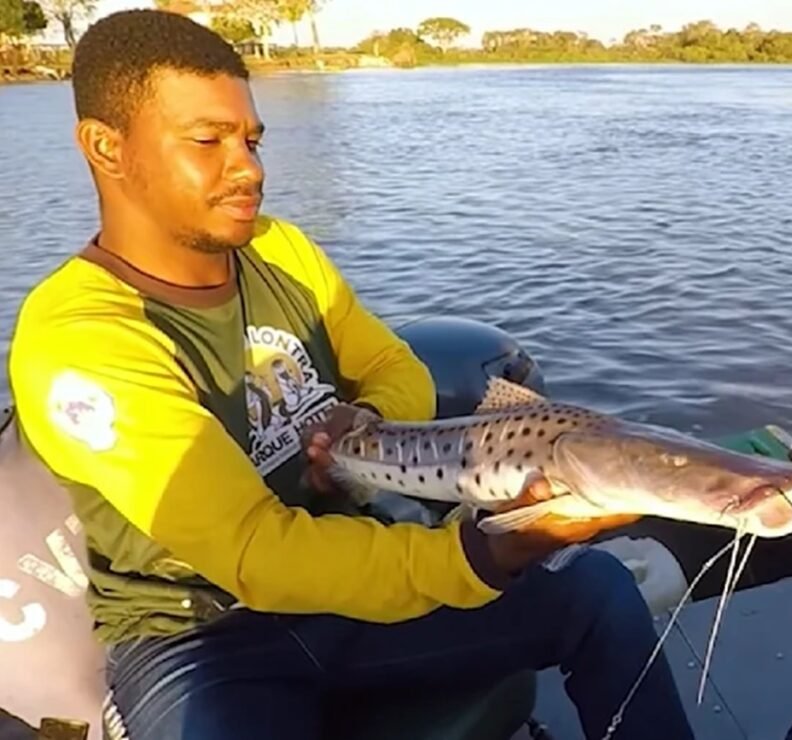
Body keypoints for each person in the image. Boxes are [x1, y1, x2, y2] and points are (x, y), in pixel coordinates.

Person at [6, 9, 694, 740]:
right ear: (106, 147)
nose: (249, 169)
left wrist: (364, 422)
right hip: (201, 636)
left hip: (348, 588)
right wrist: (483, 552)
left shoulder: (280, 251)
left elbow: (394, 365)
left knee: (598, 591)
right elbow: (254, 553)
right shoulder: (82, 337)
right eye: (207, 141)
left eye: (250, 140)